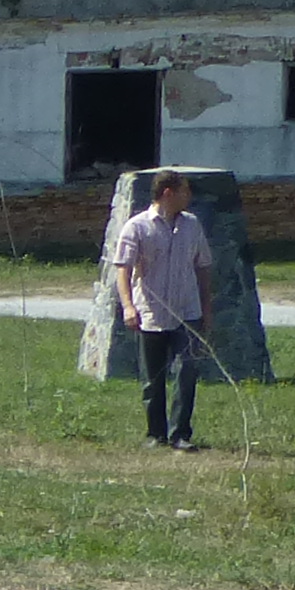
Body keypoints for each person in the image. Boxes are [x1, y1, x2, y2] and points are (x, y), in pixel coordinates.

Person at [111, 169, 211, 449]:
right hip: (151, 313)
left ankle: (180, 434)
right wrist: (128, 306)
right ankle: (155, 434)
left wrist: (206, 307)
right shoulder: (137, 227)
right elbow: (123, 269)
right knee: (152, 378)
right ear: (168, 193)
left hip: (187, 312)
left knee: (186, 372)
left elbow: (203, 266)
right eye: (184, 191)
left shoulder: (192, 225)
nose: (189, 196)